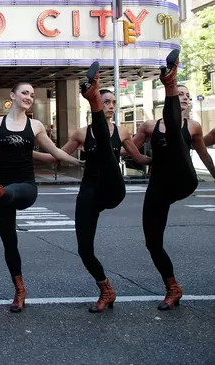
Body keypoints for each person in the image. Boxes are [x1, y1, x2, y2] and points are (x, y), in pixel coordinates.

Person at [0, 82, 82, 313]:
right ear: (13, 95)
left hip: (25, 188)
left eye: (32, 94)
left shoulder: (36, 125)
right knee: (9, 242)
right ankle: (20, 290)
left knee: (10, 192)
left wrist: (79, 163)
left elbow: (55, 152)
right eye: (25, 92)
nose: (29, 96)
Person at [34, 63, 151, 313]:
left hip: (112, 186)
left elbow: (139, 159)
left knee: (109, 159)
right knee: (84, 249)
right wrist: (24, 152)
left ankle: (91, 95)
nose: (110, 106)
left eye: (112, 102)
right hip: (90, 188)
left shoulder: (123, 131)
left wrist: (171, 156)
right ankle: (106, 289)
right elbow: (56, 157)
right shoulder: (80, 133)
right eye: (105, 101)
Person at [130, 50, 215, 310]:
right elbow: (128, 149)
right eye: (180, 94)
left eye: (187, 96)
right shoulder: (148, 126)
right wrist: (138, 159)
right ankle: (173, 287)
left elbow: (204, 155)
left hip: (184, 179)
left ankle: (169, 78)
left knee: (178, 137)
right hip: (159, 184)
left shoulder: (194, 126)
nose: (186, 98)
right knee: (152, 241)